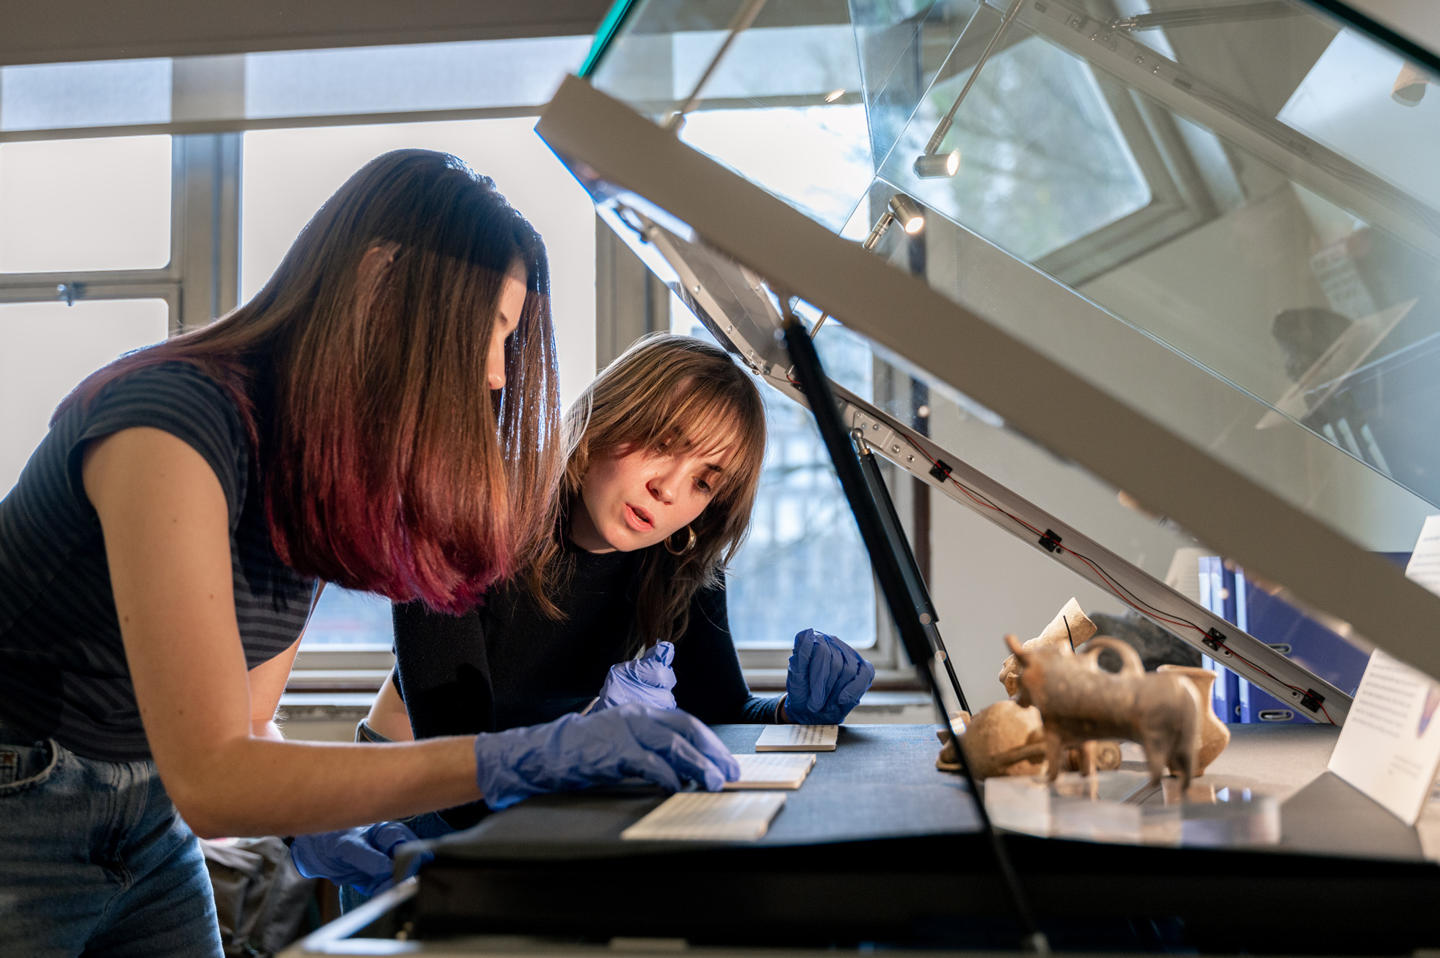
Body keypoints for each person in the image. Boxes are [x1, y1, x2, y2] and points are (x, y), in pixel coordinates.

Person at [0, 151, 735, 957]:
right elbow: (215, 779)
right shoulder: (170, 425)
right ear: (381, 277)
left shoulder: (309, 461)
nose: (496, 374)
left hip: (146, 813)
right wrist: (525, 757)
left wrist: (334, 826)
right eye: (489, 328)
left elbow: (248, 723)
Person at [292, 333, 876, 901]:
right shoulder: (462, 521)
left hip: (536, 802)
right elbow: (459, 762)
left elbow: (719, 710)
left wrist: (794, 712)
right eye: (662, 442)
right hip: (415, 798)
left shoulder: (681, 564)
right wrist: (590, 749)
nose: (669, 489)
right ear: (606, 420)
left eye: (703, 481)